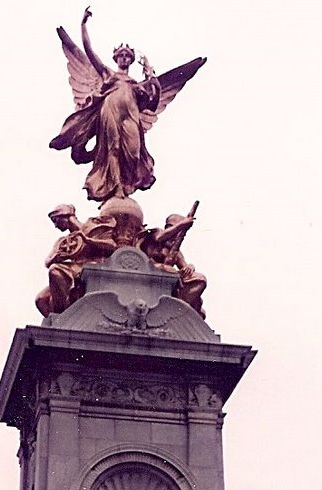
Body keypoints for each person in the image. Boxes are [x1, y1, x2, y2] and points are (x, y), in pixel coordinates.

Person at [50, 9, 161, 202]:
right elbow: (88, 52)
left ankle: (128, 183)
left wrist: (153, 80)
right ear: (116, 58)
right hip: (110, 112)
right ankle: (117, 186)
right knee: (113, 148)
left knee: (134, 153)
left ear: (131, 60)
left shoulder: (136, 86)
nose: (124, 58)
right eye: (121, 55)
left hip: (131, 117)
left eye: (127, 56)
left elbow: (153, 104)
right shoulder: (108, 75)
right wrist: (83, 25)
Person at [35, 204, 117, 317]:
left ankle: (66, 315)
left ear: (65, 216)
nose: (55, 226)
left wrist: (88, 240)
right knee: (41, 300)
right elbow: (47, 262)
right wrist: (56, 257)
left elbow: (111, 246)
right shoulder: (63, 240)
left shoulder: (92, 227)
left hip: (89, 266)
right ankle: (60, 322)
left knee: (55, 270)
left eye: (56, 220)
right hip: (72, 267)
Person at [140, 211, 207, 316]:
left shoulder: (175, 250)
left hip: (169, 281)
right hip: (148, 274)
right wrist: (183, 224)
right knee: (167, 269)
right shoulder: (156, 233)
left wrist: (190, 266)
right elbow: (160, 237)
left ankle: (178, 305)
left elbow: (184, 266)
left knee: (200, 279)